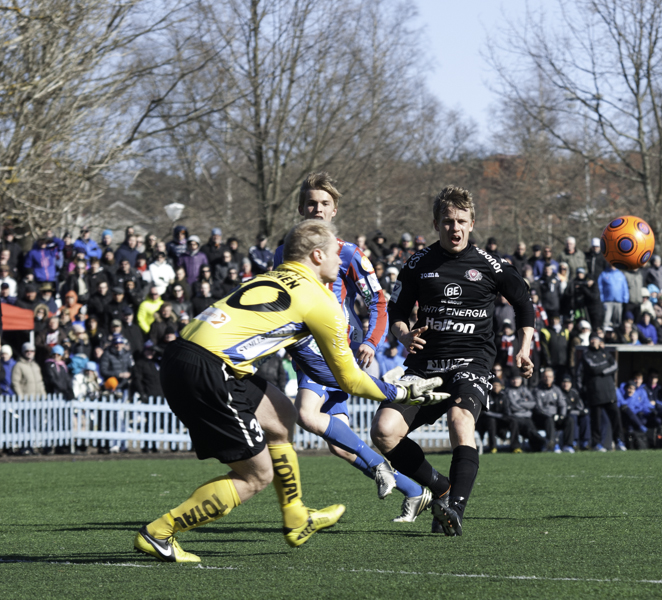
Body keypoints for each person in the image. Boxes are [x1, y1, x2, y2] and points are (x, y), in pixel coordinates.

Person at [133, 219, 445, 562]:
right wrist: (401, 393)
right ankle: (160, 533)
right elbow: (350, 380)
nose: (339, 262)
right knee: (256, 477)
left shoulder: (273, 274)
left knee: (282, 415)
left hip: (191, 356)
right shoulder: (320, 300)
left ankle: (296, 516)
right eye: (333, 255)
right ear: (315, 255)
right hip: (209, 368)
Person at [370, 185, 535, 537]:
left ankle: (455, 509)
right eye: (447, 221)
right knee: (383, 432)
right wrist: (402, 334)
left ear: (472, 223)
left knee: (460, 421)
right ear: (435, 224)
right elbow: (396, 312)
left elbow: (524, 303)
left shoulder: (492, 266)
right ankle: (442, 489)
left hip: (470, 365)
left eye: (461, 221)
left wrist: (524, 347)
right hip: (425, 369)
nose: (454, 228)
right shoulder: (416, 265)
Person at [273, 173, 427, 524]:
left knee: (308, 415)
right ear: (300, 208)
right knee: (339, 445)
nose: (317, 208)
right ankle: (415, 491)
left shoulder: (349, 253)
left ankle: (379, 466)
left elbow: (379, 301)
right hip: (303, 349)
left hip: (333, 348)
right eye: (311, 203)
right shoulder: (283, 252)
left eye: (324, 203)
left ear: (334, 210)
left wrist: (372, 342)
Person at [577, 331, 626, 451]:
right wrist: (605, 368)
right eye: (591, 339)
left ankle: (619, 441)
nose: (594, 341)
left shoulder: (605, 353)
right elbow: (593, 368)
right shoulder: (586, 354)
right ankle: (597, 443)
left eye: (596, 339)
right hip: (595, 392)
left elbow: (615, 366)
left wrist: (602, 370)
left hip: (609, 391)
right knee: (596, 420)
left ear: (600, 341)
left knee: (616, 417)